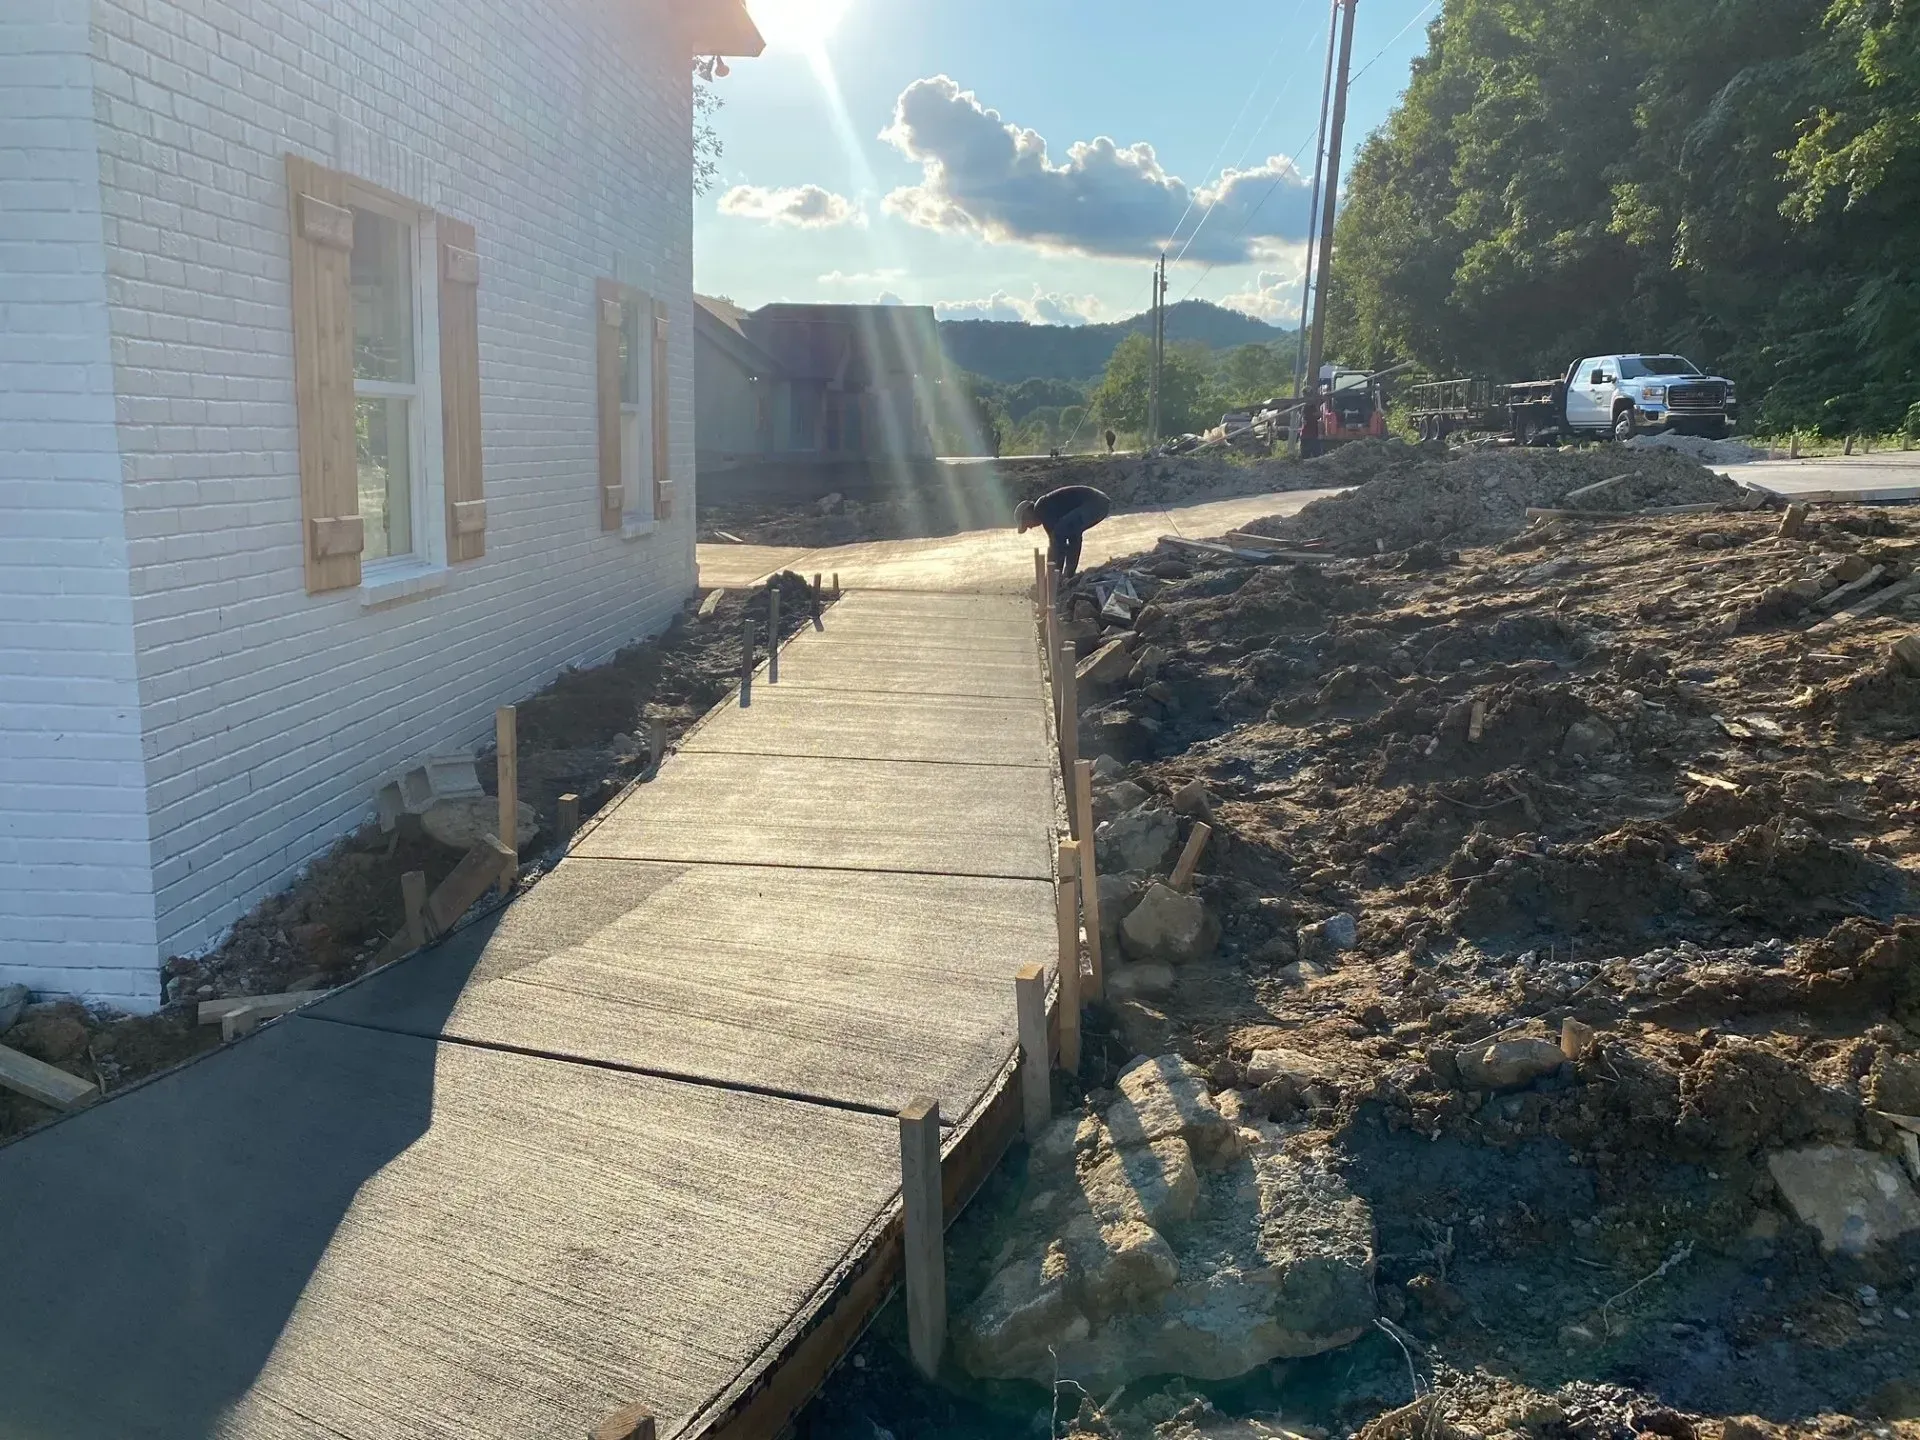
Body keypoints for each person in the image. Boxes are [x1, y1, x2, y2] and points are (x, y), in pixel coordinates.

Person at [1015, 484, 1111, 579]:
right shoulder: (1046, 511)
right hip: (1100, 503)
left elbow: (1057, 544)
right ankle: (1068, 575)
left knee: (1061, 532)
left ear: (1028, 514)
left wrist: (1053, 574)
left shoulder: (1041, 508)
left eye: (1027, 525)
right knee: (1072, 535)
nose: (1030, 528)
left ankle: (1062, 576)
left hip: (1095, 504)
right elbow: (1055, 544)